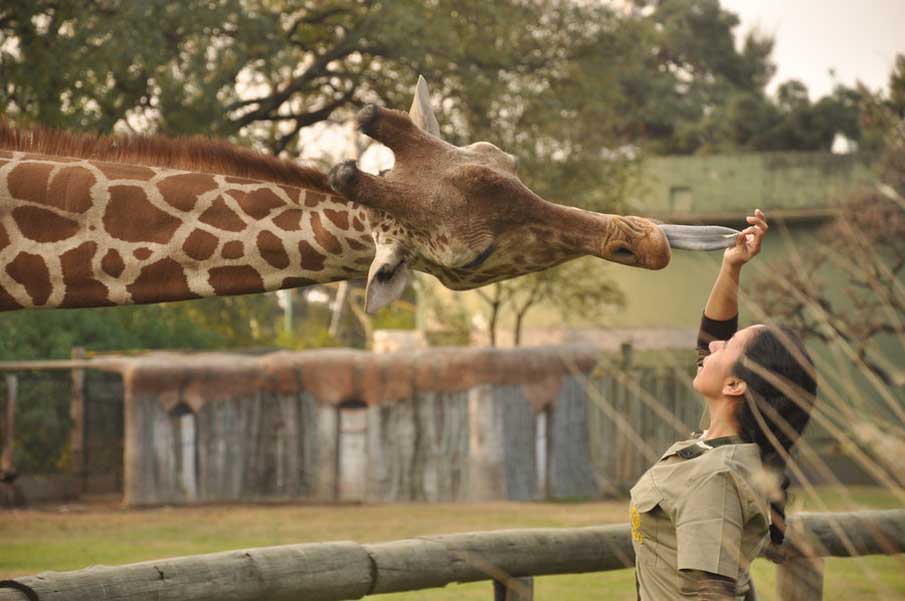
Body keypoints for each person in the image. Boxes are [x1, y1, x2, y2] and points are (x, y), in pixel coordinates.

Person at [629, 209, 818, 600]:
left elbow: (711, 592)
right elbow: (709, 340)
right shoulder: (720, 452)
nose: (713, 346)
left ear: (734, 385)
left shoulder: (716, 478)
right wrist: (732, 267)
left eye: (727, 347)